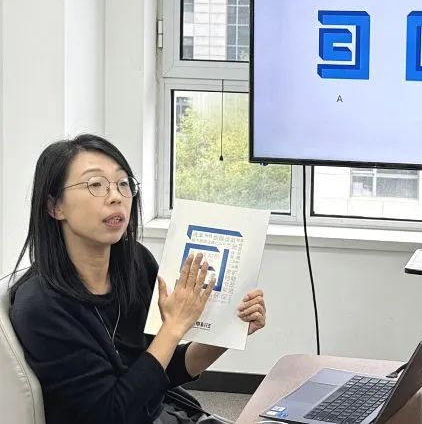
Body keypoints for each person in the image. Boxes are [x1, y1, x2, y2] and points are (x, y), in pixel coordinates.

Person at [8, 134, 267, 424]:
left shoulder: (135, 264)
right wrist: (173, 328)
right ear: (55, 206)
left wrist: (229, 331)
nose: (116, 196)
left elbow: (161, 370)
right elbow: (111, 414)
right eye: (95, 184)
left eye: (123, 183)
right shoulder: (40, 307)